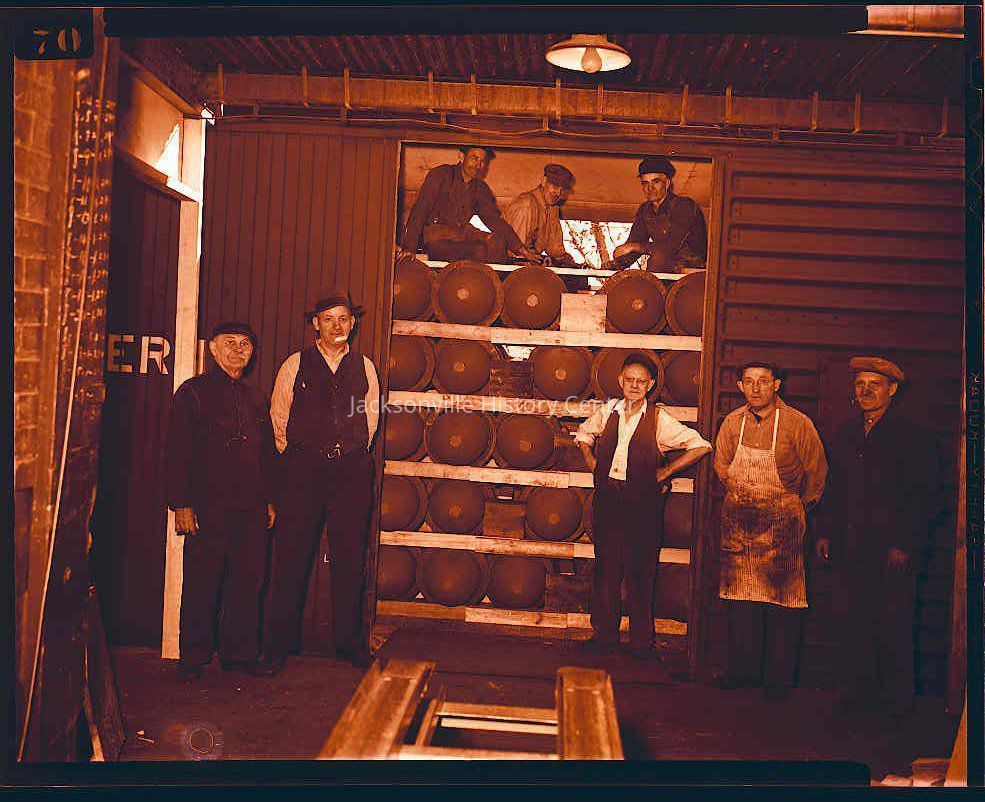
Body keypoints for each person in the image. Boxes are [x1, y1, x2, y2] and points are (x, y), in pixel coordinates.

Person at [255, 291, 381, 675]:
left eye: (343, 318)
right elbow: (278, 420)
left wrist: (348, 452)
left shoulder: (365, 366)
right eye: (328, 319)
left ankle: (350, 645)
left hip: (350, 471)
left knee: (350, 559)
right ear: (316, 324)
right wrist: (301, 457)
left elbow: (369, 419)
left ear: (352, 324)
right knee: (291, 557)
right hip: (303, 471)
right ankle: (277, 649)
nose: (336, 326)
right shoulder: (295, 364)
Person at [815, 357, 939, 720]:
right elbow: (834, 488)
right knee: (854, 623)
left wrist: (904, 544)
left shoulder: (912, 436)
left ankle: (894, 706)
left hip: (890, 551)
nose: (866, 391)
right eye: (860, 385)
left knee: (892, 625)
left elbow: (924, 496)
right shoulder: (847, 433)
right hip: (851, 547)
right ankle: (856, 700)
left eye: (875, 384)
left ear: (892, 390)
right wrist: (825, 533)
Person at [575, 353, 712, 657]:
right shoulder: (608, 411)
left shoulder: (660, 419)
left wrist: (666, 471)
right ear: (620, 381)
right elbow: (583, 434)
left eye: (641, 381)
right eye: (629, 380)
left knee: (641, 572)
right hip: (608, 500)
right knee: (606, 571)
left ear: (650, 385)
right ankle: (604, 637)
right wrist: (591, 461)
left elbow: (700, 445)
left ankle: (641, 643)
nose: (634, 385)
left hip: (643, 505)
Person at [165, 321, 277, 681]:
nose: (237, 350)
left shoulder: (256, 398)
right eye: (229, 343)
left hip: (251, 506)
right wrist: (181, 504)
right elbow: (177, 451)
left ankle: (240, 655)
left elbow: (266, 455)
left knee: (248, 582)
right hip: (207, 506)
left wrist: (269, 500)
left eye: (245, 344)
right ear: (212, 349)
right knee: (203, 581)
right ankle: (193, 657)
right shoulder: (192, 393)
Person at [713, 362, 828, 700]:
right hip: (740, 523)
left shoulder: (797, 423)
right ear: (740, 386)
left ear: (777, 384)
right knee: (741, 601)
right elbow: (721, 465)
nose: (756, 388)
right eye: (749, 381)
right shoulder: (732, 423)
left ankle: (778, 681)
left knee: (782, 603)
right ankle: (743, 674)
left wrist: (795, 509)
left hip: (782, 525)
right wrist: (745, 497)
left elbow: (817, 472)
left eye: (763, 381)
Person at [395, 144, 539, 264]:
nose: (478, 165)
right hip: (435, 240)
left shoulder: (480, 188)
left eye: (482, 161)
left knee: (499, 243)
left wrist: (521, 249)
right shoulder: (442, 174)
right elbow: (420, 209)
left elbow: (494, 221)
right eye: (474, 158)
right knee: (479, 250)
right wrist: (409, 247)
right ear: (461, 157)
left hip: (461, 237)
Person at [607, 156, 707, 272]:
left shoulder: (684, 205)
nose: (650, 188)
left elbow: (671, 246)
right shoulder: (645, 210)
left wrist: (635, 247)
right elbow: (635, 243)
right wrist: (615, 264)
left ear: (667, 183)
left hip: (691, 270)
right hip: (665, 265)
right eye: (645, 183)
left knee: (657, 260)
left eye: (656, 181)